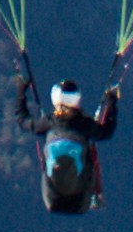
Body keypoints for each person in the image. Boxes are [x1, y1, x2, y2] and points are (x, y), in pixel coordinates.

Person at [31, 75, 122, 213]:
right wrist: (111, 103)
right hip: (80, 199)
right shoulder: (84, 124)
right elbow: (106, 131)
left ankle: (94, 194)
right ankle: (96, 195)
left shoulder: (48, 123)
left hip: (52, 198)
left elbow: (24, 121)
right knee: (89, 151)